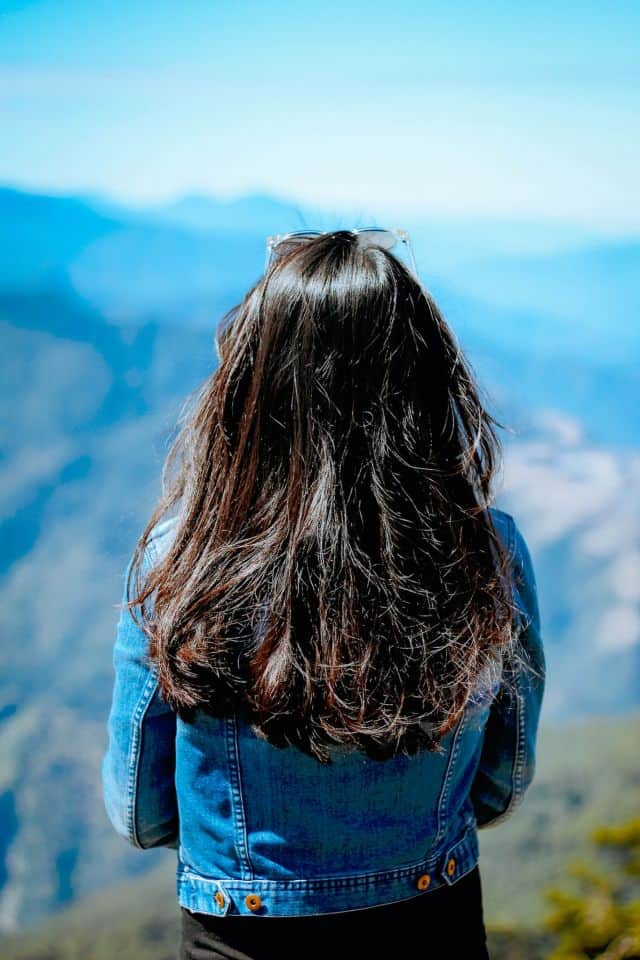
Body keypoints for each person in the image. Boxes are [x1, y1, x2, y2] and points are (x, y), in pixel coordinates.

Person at [101, 228, 545, 960]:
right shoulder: (487, 551)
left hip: (237, 932)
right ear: (424, 381)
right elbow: (503, 779)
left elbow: (139, 812)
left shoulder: (179, 556)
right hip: (434, 921)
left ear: (250, 384)